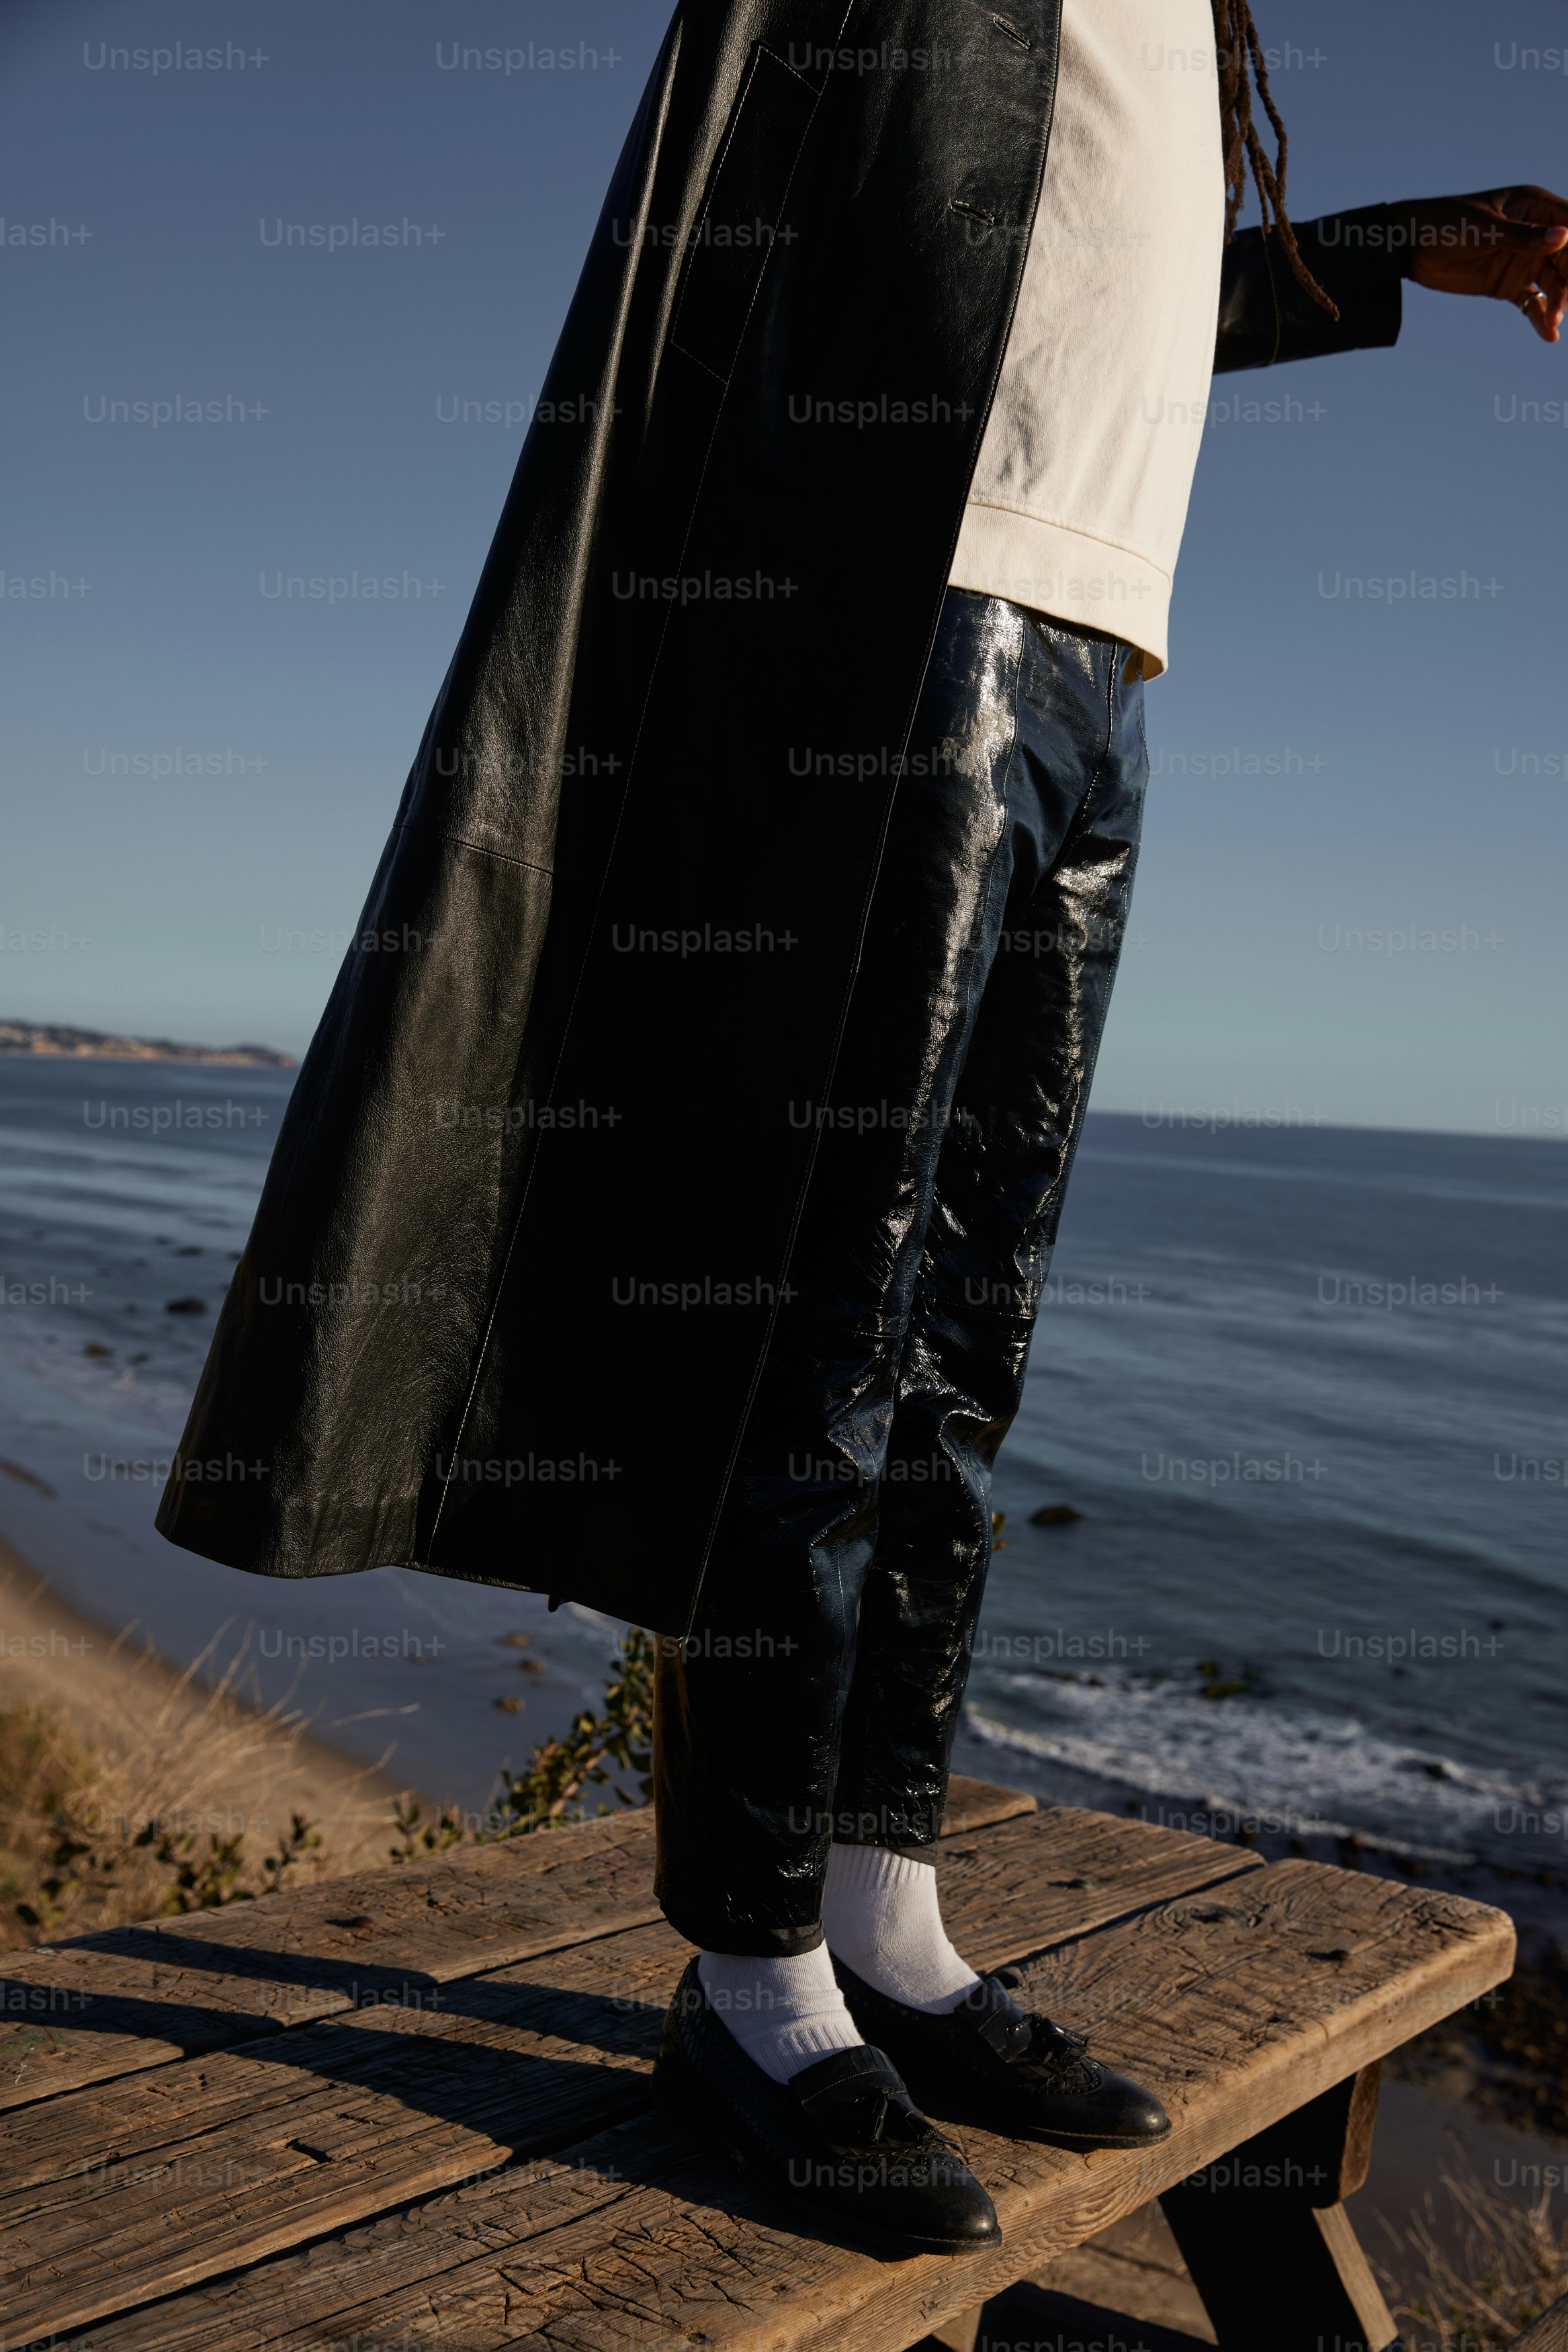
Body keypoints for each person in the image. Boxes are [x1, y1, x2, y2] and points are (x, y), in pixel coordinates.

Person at [158, 0, 1566, 2258]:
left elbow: (1127, 296)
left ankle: (884, 1913)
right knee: (828, 1314)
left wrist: (1405, 247)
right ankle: (747, 1975)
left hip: (1108, 664)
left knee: (963, 1339)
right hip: (916, 615)